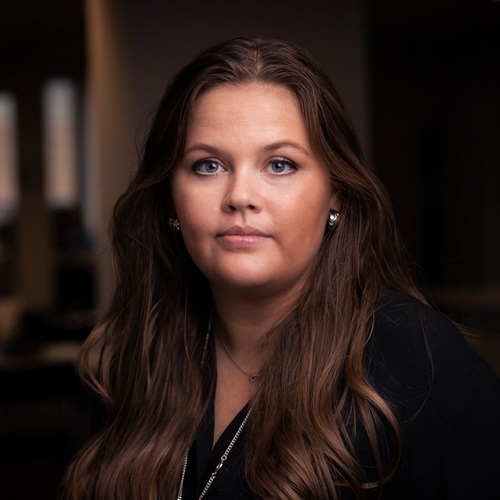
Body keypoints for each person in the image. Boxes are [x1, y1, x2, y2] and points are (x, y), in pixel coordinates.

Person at [61, 38, 500, 499]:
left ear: (335, 194)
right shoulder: (138, 355)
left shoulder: (420, 360)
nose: (240, 196)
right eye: (208, 165)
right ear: (170, 198)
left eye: (279, 164)